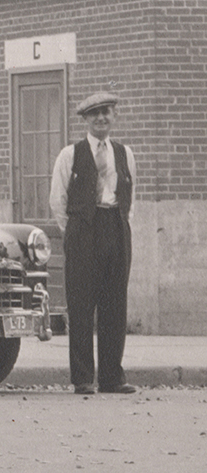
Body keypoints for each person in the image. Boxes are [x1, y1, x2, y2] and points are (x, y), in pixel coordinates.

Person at [48, 90, 137, 395]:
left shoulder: (125, 153)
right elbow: (57, 201)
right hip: (83, 230)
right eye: (94, 114)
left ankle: (112, 377)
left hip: (115, 226)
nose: (101, 118)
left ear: (115, 117)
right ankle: (83, 378)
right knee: (82, 306)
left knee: (115, 305)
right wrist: (75, 230)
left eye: (106, 112)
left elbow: (130, 196)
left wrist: (120, 222)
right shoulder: (70, 155)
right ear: (85, 120)